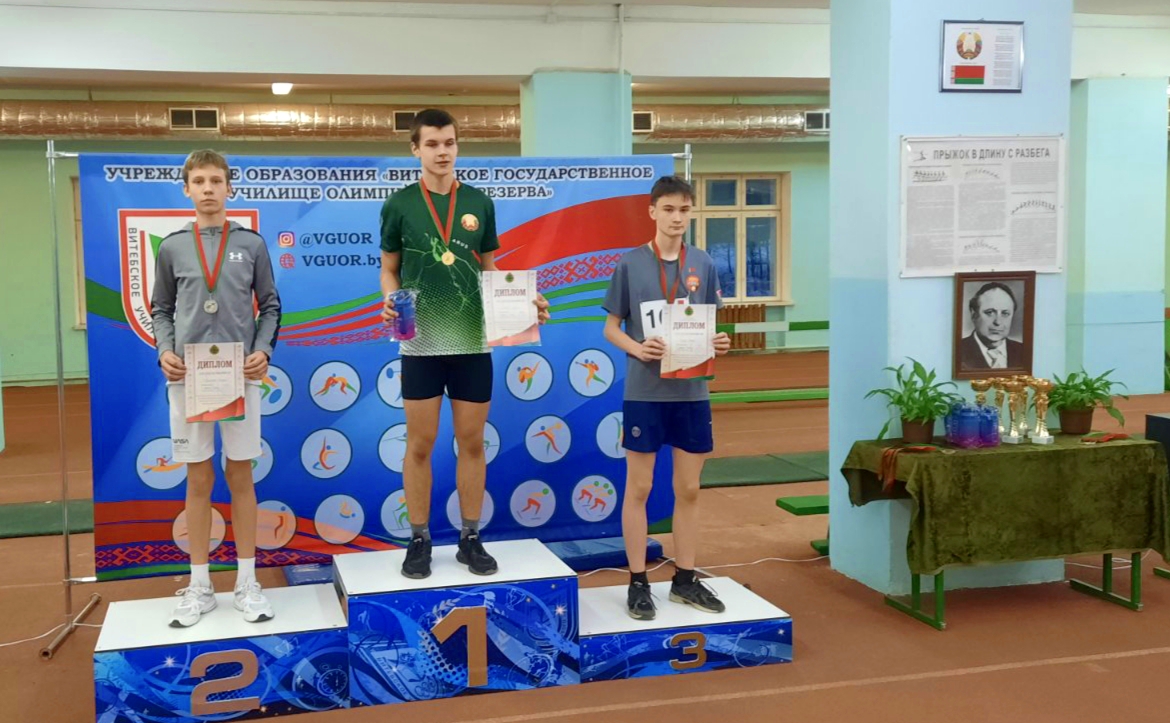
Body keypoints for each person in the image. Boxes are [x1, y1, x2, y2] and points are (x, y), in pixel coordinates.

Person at [379, 108, 549, 579]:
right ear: (415, 149)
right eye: (432, 144)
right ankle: (419, 539)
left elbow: (490, 268)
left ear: (457, 146)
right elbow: (389, 268)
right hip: (420, 341)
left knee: (472, 442)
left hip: (474, 339)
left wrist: (524, 302)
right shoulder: (399, 205)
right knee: (420, 443)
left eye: (449, 143)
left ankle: (470, 537)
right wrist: (389, 298)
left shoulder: (479, 202)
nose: (442, 152)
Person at [151, 149, 282, 627]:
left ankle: (247, 582)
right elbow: (161, 309)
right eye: (199, 181)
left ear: (230, 187)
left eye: (216, 181)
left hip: (239, 377)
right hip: (188, 378)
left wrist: (263, 351)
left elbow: (271, 305)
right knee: (198, 479)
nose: (208, 189)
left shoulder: (251, 244)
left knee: (241, 474)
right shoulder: (172, 247)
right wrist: (164, 350)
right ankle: (200, 585)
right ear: (186, 189)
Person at [601, 175, 732, 621]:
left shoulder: (704, 263)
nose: (677, 218)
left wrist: (719, 342)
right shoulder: (631, 264)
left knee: (689, 488)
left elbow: (709, 325)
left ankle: (685, 579)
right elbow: (611, 327)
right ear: (653, 211)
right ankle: (638, 582)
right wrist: (637, 348)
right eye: (669, 209)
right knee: (639, 487)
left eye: (685, 210)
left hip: (692, 393)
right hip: (645, 393)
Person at [958, 282, 1024, 371]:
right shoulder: (957, 351)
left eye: (1005, 313)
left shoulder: (1024, 351)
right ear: (974, 314)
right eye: (990, 312)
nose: (998, 322)